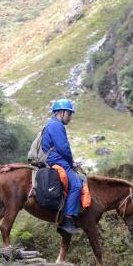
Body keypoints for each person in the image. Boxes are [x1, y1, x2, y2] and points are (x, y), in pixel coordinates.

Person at [41, 99, 81, 235]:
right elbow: (63, 148)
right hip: (56, 159)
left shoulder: (51, 124)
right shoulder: (57, 125)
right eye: (69, 114)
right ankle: (68, 220)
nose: (70, 117)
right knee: (76, 185)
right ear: (61, 112)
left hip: (53, 158)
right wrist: (71, 162)